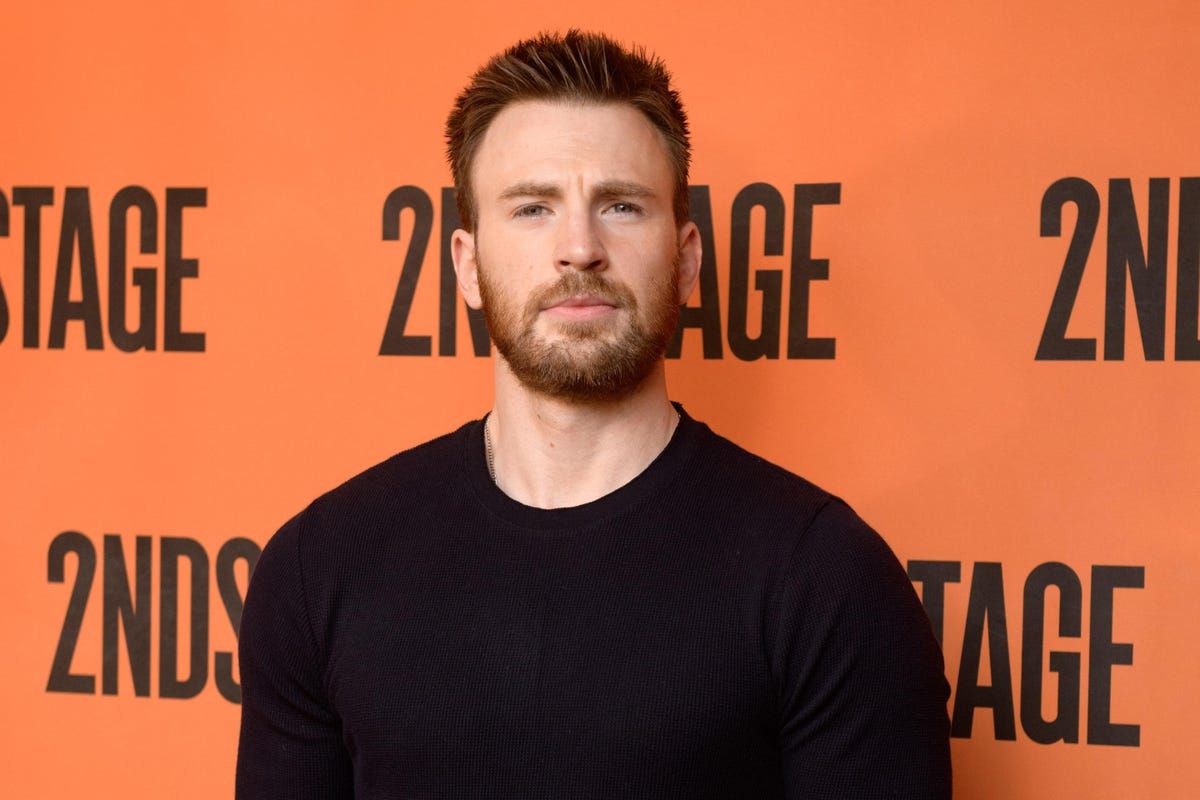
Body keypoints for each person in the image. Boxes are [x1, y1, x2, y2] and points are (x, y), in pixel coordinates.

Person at [235, 29, 952, 799]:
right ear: (467, 266)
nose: (580, 248)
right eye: (532, 208)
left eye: (621, 205)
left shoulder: (827, 580)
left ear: (686, 260)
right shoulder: (320, 569)